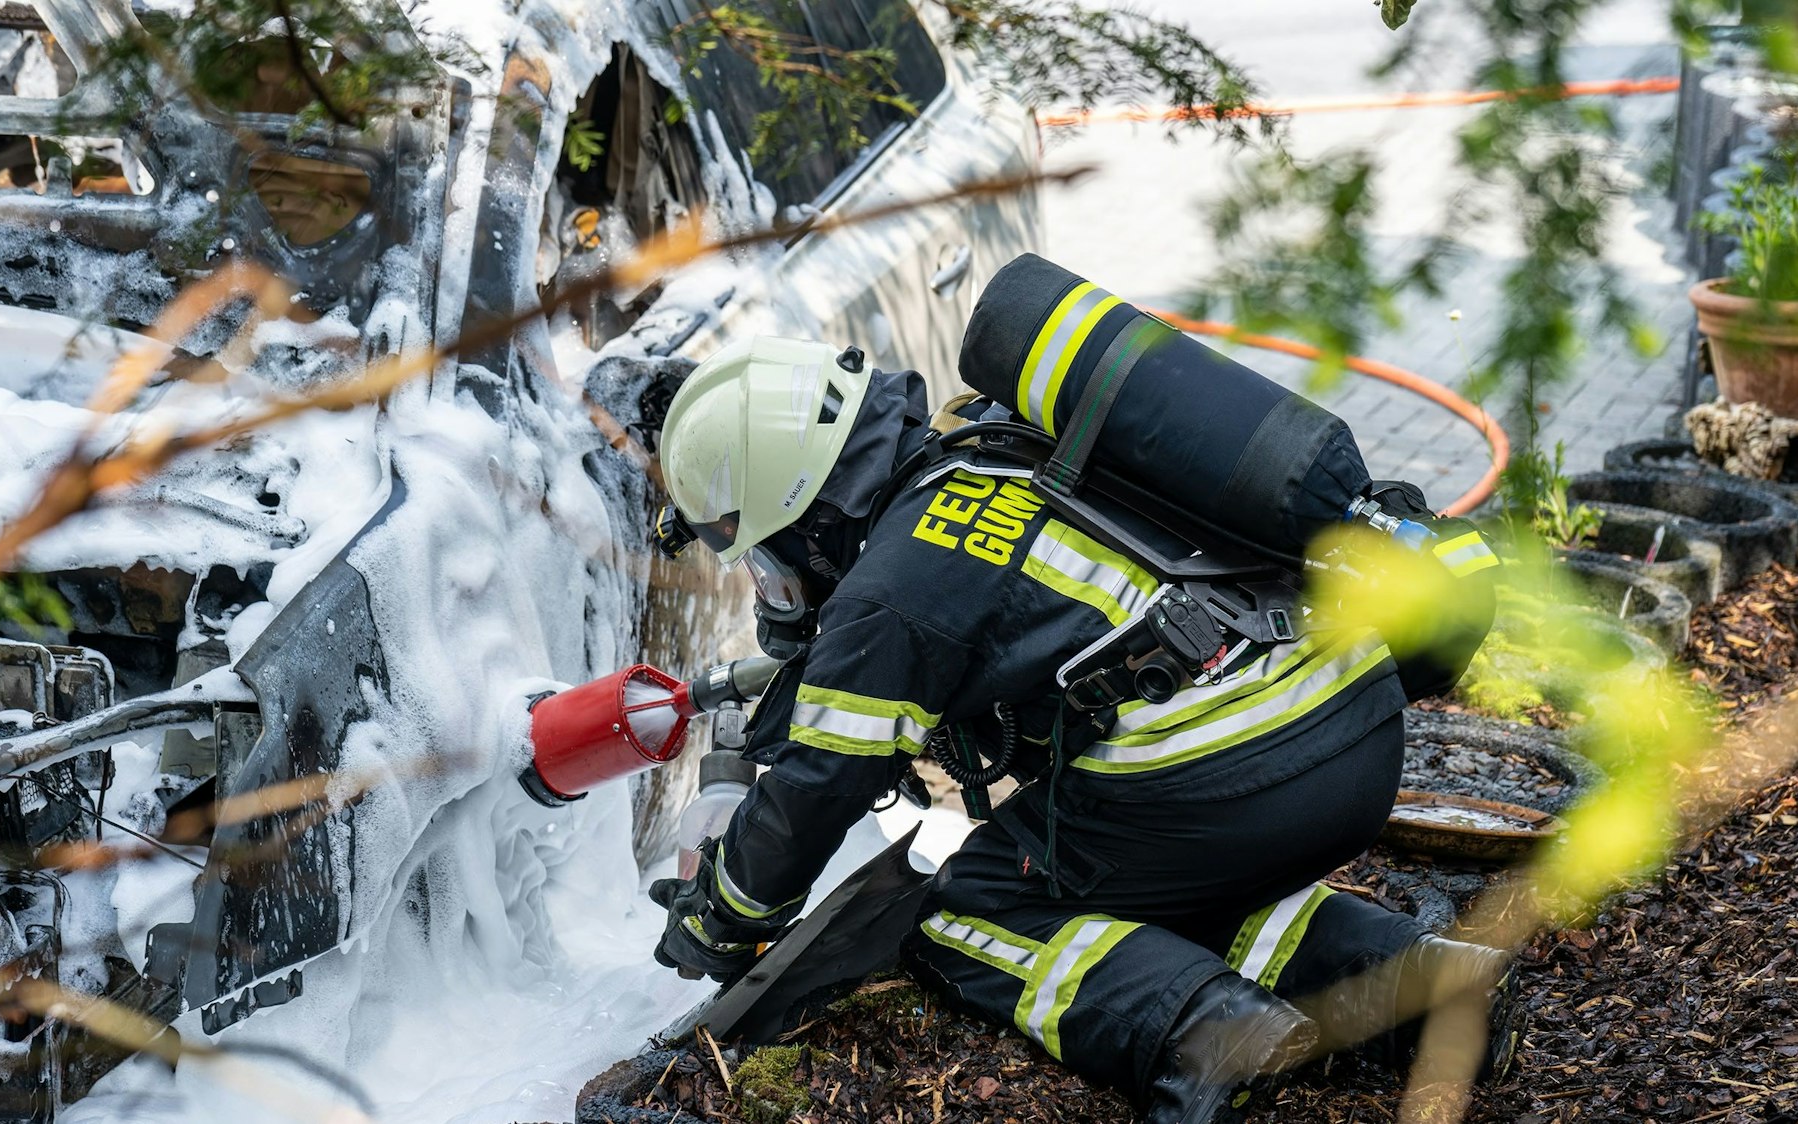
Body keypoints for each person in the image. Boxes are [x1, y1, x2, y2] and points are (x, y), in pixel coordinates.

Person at [645, 322, 1512, 1124]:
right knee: (1134, 893)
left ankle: (1208, 1038)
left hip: (1236, 762)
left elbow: (818, 787)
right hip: (1349, 720)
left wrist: (720, 914)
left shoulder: (890, 598)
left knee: (969, 910)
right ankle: (1422, 985)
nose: (774, 581)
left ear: (807, 507)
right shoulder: (990, 445)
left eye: (760, 549)